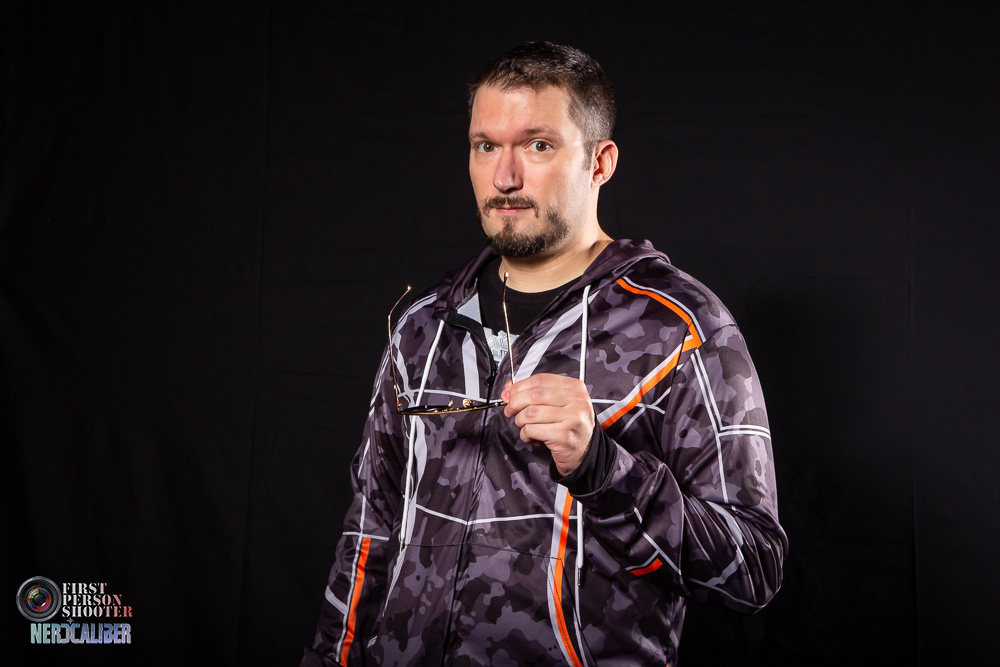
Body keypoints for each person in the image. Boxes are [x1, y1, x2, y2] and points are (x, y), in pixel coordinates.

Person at [301, 42, 786, 666]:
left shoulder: (682, 329)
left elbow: (754, 568)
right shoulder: (423, 328)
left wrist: (602, 468)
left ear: (600, 162)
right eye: (485, 146)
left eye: (537, 145)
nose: (505, 177)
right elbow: (367, 533)